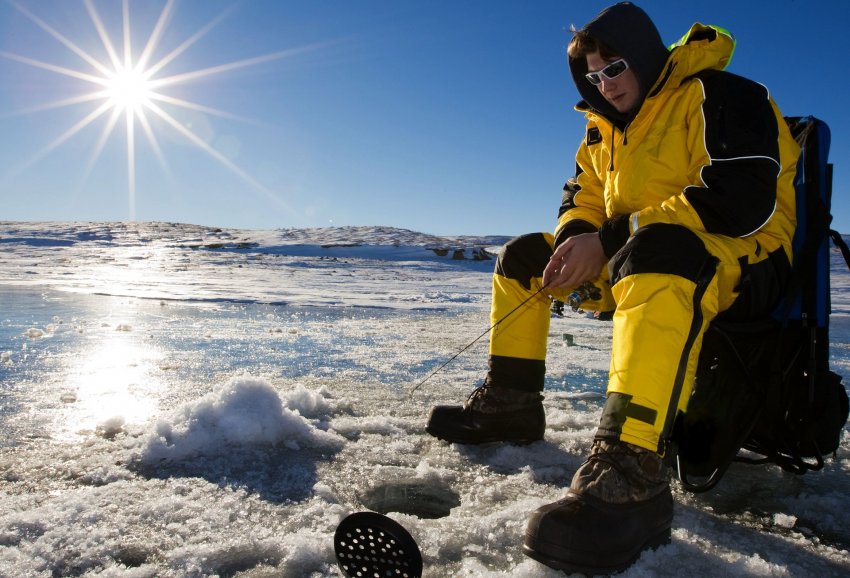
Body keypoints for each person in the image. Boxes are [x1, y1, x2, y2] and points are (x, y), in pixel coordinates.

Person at [425, 2, 800, 574]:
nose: (605, 84)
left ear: (645, 57)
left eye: (615, 67)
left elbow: (741, 198)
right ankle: (511, 404)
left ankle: (632, 471)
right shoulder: (602, 130)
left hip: (744, 259)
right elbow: (581, 199)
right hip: (638, 253)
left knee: (658, 248)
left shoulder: (721, 94)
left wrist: (610, 239)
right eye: (594, 75)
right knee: (524, 257)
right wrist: (575, 241)